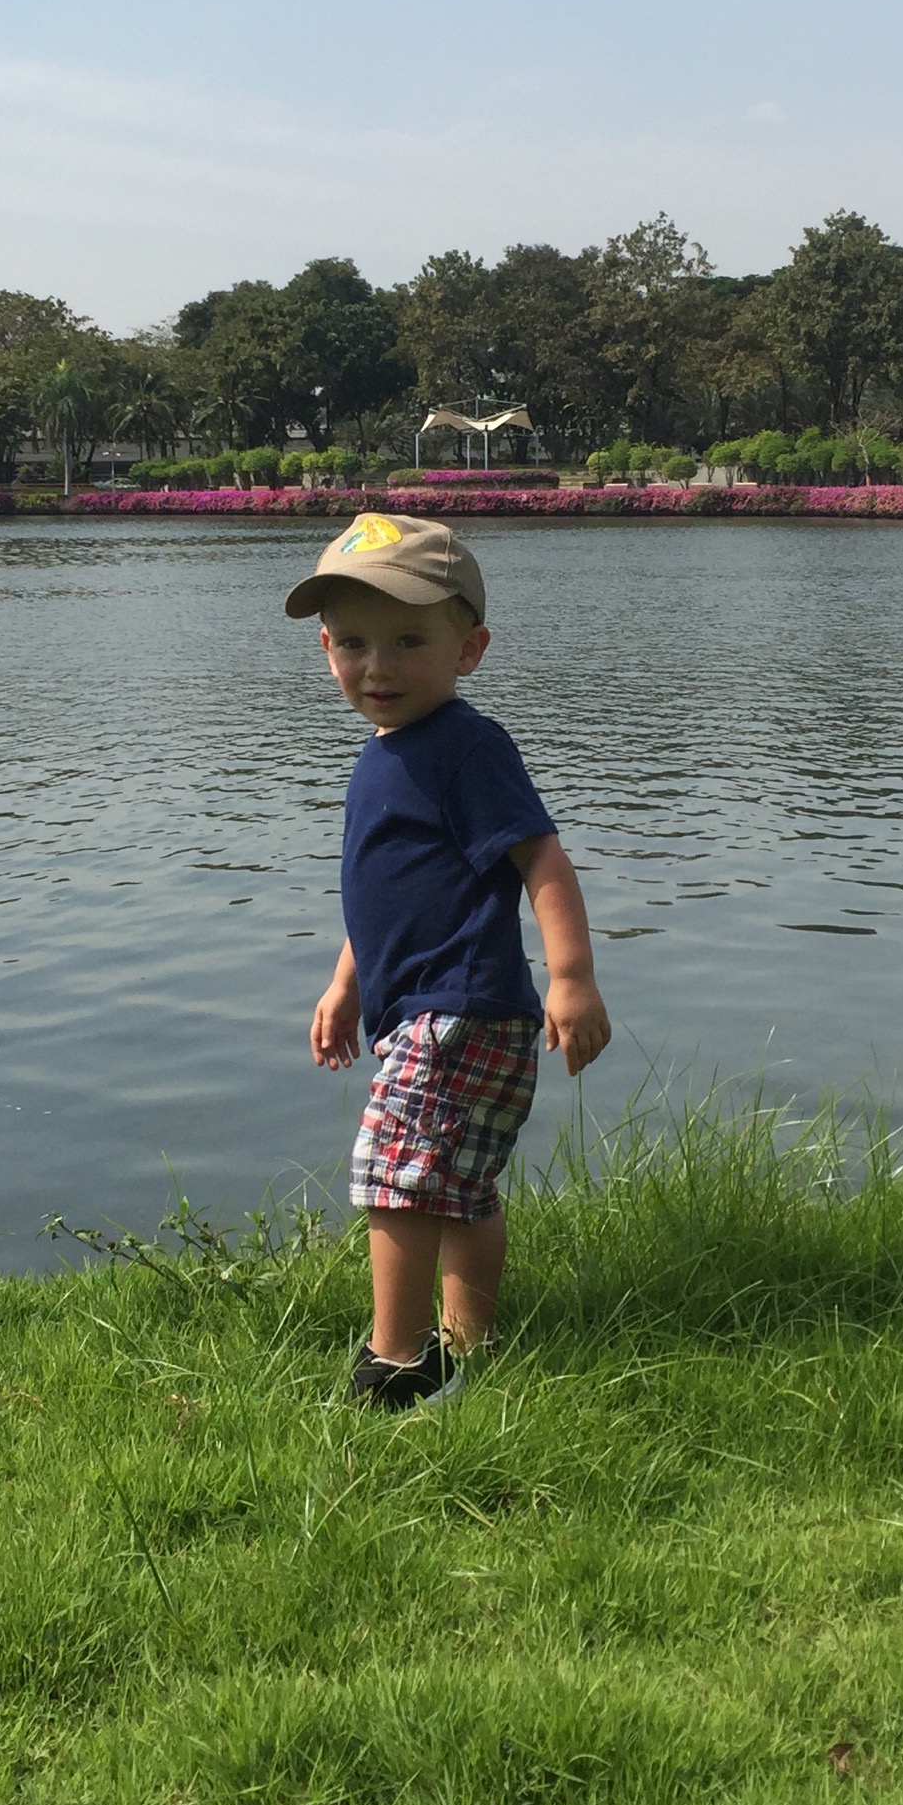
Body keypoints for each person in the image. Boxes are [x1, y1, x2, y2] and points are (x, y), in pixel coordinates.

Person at [286, 512, 611, 1411]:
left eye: (407, 642)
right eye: (354, 643)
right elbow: (387, 894)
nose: (378, 667)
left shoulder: (468, 747)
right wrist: (347, 984)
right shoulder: (385, 753)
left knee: (395, 1183)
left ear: (468, 650)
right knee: (461, 1190)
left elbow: (541, 859)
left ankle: (396, 1366)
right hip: (442, 1010)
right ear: (326, 648)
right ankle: (470, 1352)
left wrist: (572, 977)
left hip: (457, 1009)